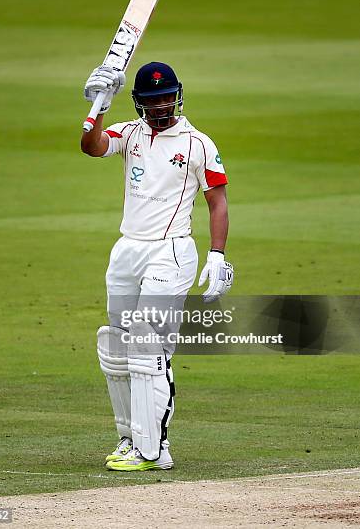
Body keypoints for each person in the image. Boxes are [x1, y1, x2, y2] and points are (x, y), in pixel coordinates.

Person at [81, 61, 234, 471]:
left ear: (178, 94)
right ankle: (131, 439)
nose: (162, 105)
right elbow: (91, 146)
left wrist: (217, 255)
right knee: (118, 346)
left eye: (167, 97)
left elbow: (217, 200)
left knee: (150, 346)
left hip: (171, 251)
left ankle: (156, 447)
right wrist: (97, 108)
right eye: (153, 100)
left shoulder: (198, 143)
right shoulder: (128, 133)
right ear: (139, 103)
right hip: (128, 249)